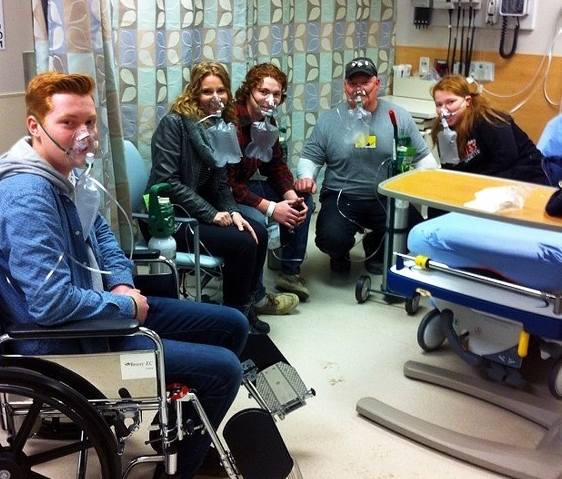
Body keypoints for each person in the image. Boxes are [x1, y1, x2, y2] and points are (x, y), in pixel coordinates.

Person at [0, 70, 249, 479]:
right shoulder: (27, 195)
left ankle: (190, 446)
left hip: (99, 311)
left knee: (233, 325)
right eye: (68, 123)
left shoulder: (66, 173)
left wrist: (122, 285)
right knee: (224, 368)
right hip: (64, 341)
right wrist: (126, 308)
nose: (83, 134)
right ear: (34, 125)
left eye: (90, 121)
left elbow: (102, 234)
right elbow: (48, 305)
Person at [145, 61, 272, 334]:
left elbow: (222, 182)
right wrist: (212, 214)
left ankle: (245, 309)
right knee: (243, 244)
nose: (216, 98)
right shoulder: (175, 124)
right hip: (171, 219)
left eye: (221, 90)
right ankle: (234, 320)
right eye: (207, 91)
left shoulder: (221, 125)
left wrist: (233, 210)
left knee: (258, 233)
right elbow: (166, 182)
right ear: (194, 94)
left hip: (200, 212)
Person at [295, 57, 438, 275]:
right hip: (342, 196)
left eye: (365, 83)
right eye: (353, 84)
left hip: (385, 197)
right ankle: (339, 252)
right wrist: (306, 176)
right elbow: (310, 158)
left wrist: (426, 182)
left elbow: (424, 159)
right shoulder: (330, 120)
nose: (359, 89)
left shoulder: (397, 117)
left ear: (377, 84)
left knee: (416, 233)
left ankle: (376, 245)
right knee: (330, 239)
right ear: (345, 87)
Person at [228, 63, 312, 303]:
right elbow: (229, 185)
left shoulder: (268, 124)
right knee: (256, 221)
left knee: (302, 200)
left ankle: (290, 272)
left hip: (243, 188)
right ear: (248, 92)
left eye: (276, 94)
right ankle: (256, 296)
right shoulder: (231, 124)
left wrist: (289, 195)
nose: (270, 100)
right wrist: (272, 208)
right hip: (225, 197)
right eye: (264, 92)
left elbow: (276, 165)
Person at [431, 74, 549, 184]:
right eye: (439, 105)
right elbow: (450, 169)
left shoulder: (488, 119)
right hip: (483, 179)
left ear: (467, 101)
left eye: (450, 102)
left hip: (526, 174)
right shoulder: (442, 131)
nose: (444, 110)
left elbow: (507, 159)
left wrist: (474, 183)